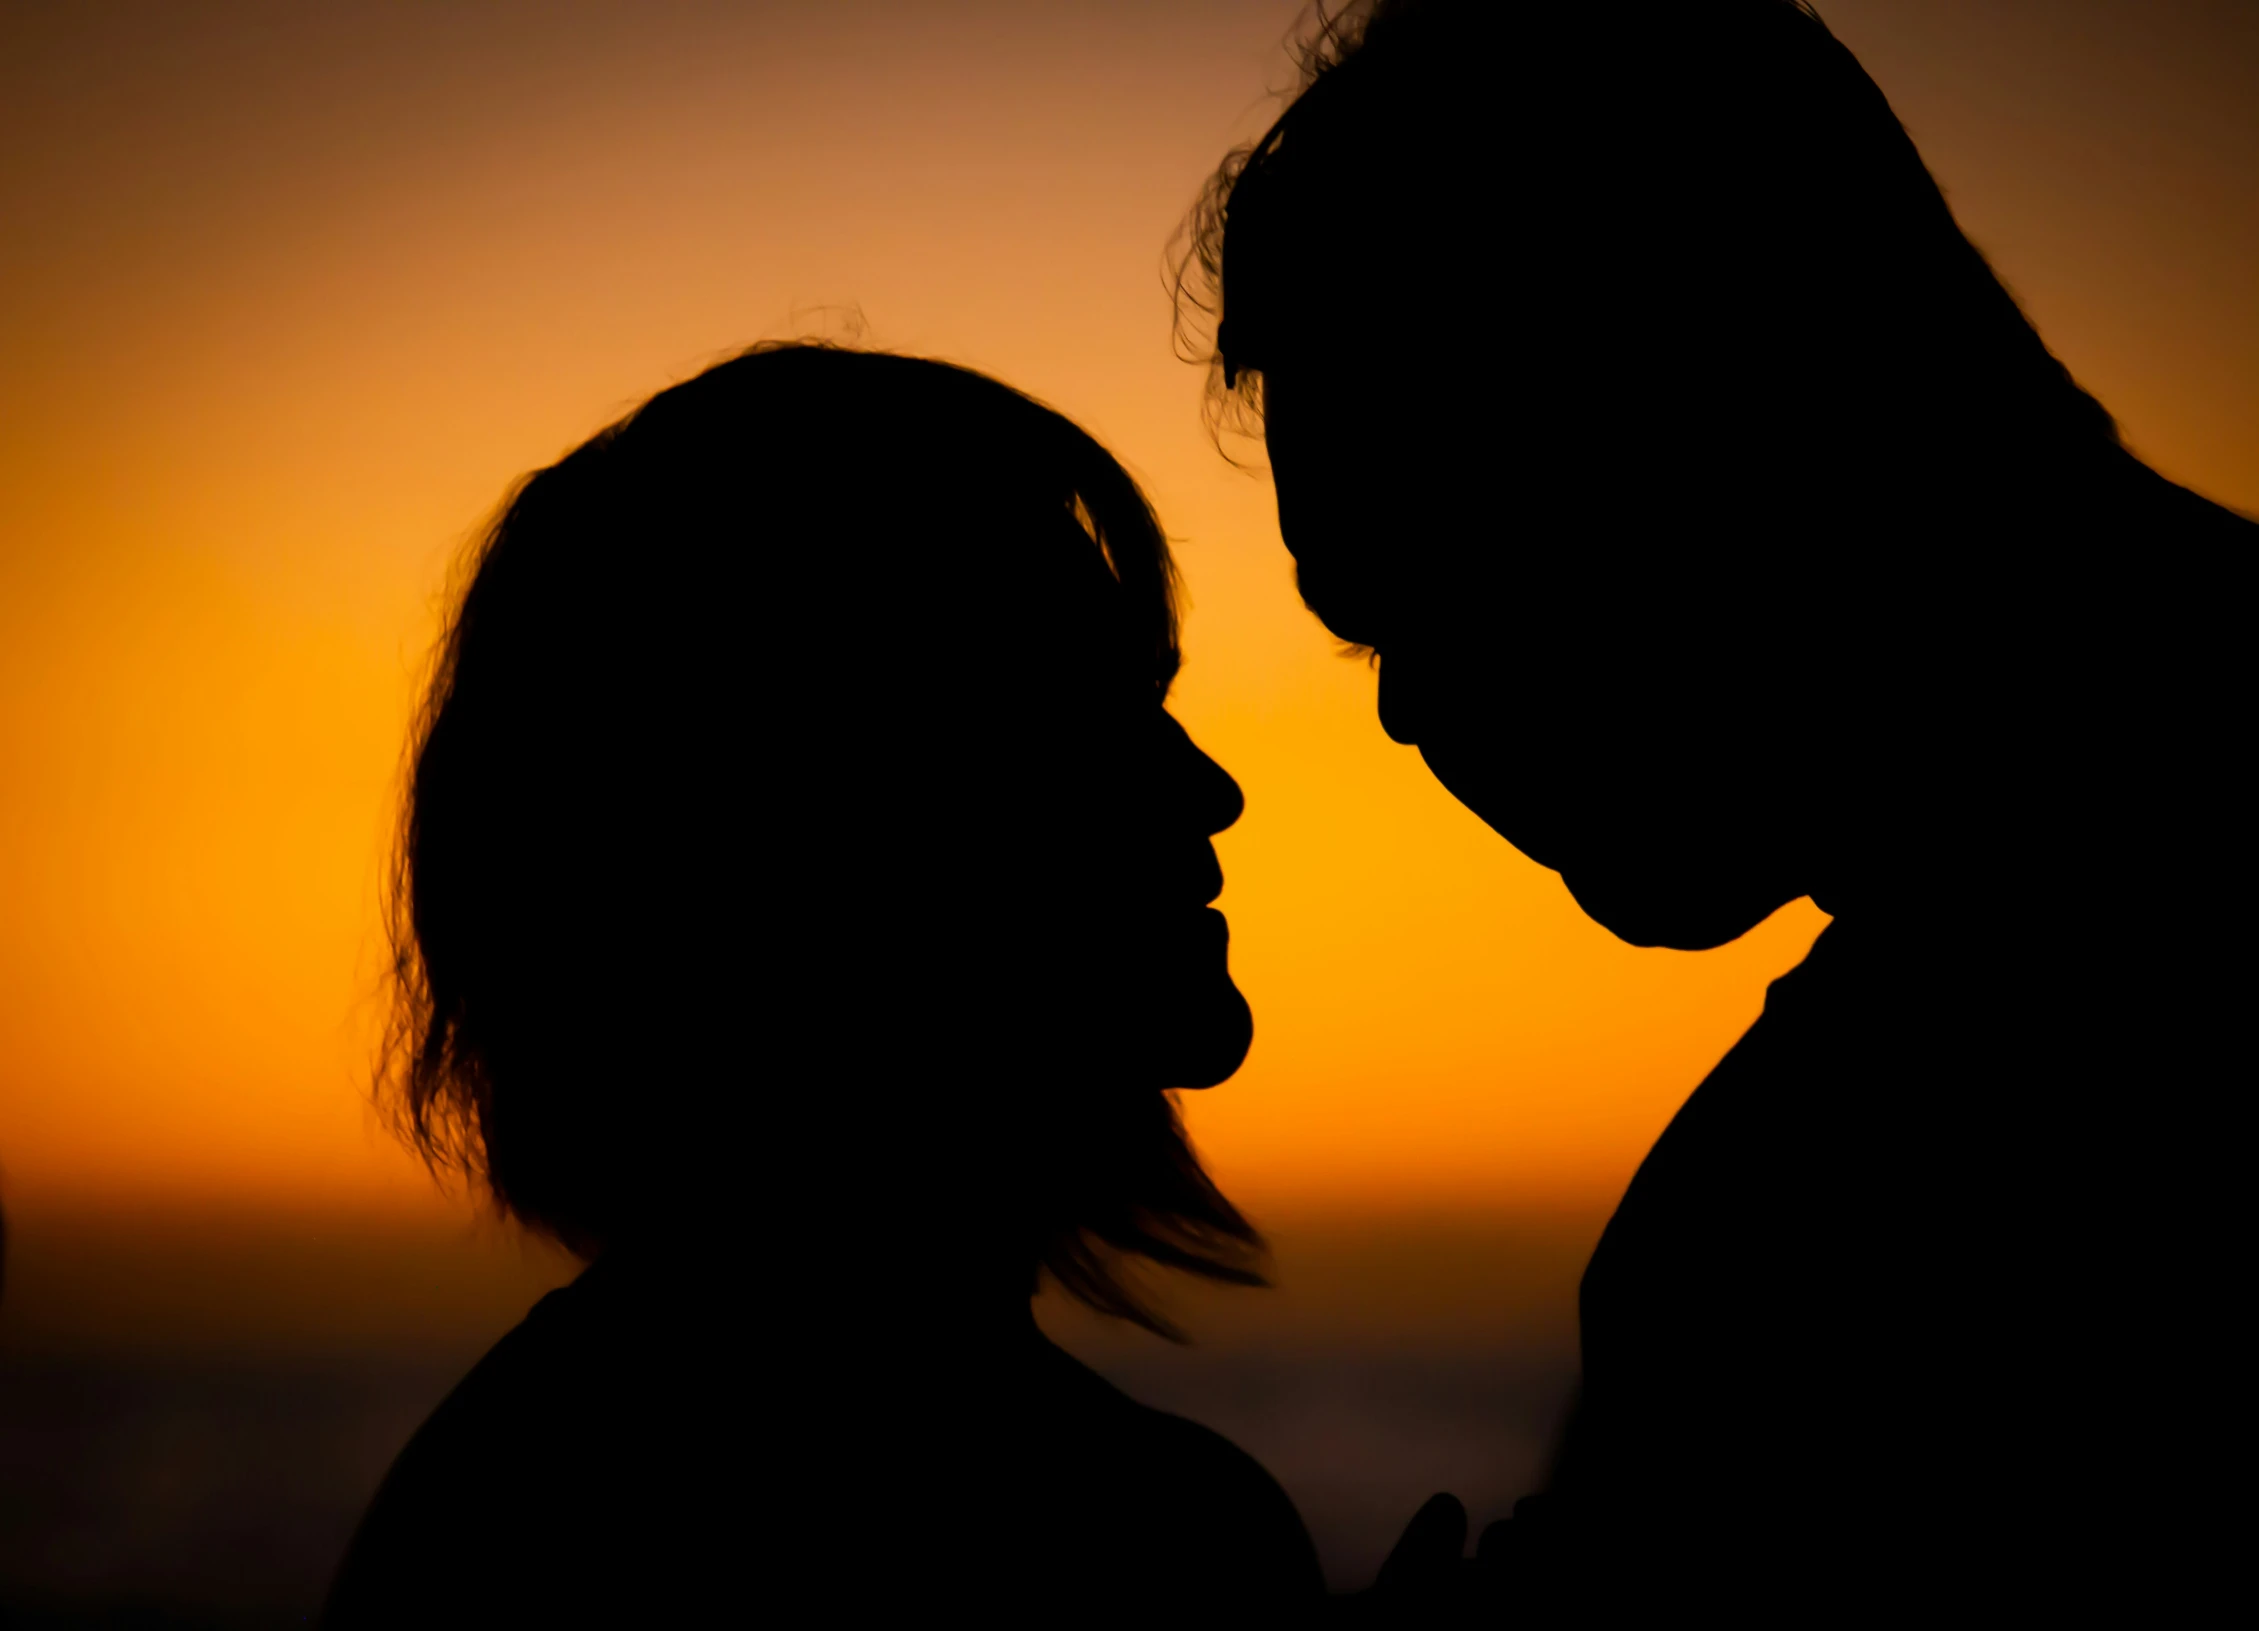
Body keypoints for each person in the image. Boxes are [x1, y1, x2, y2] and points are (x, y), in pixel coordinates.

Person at [1179, 0, 2248, 1613]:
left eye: (1446, 576)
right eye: (1365, 630)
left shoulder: (1813, 1238)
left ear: (1736, 408)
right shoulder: (1802, 1197)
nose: (1404, 709)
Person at [322, 343, 1323, 1623]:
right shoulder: (1135, 1541)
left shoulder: (521, 1489)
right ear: (819, 828)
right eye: (1075, 719)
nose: (1206, 788)